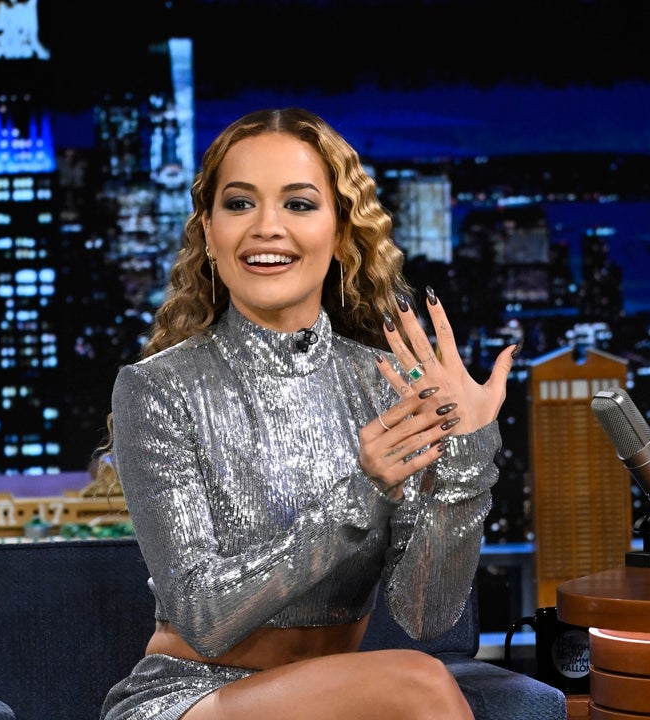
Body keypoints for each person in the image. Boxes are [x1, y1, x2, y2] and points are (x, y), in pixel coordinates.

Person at [97, 107, 522, 720]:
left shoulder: (388, 384)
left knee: (414, 679)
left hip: (338, 699)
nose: (266, 227)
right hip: (192, 698)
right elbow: (203, 617)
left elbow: (425, 615)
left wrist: (468, 453)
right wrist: (364, 490)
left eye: (298, 204)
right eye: (239, 204)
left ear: (341, 233)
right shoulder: (156, 388)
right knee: (420, 684)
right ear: (209, 233)